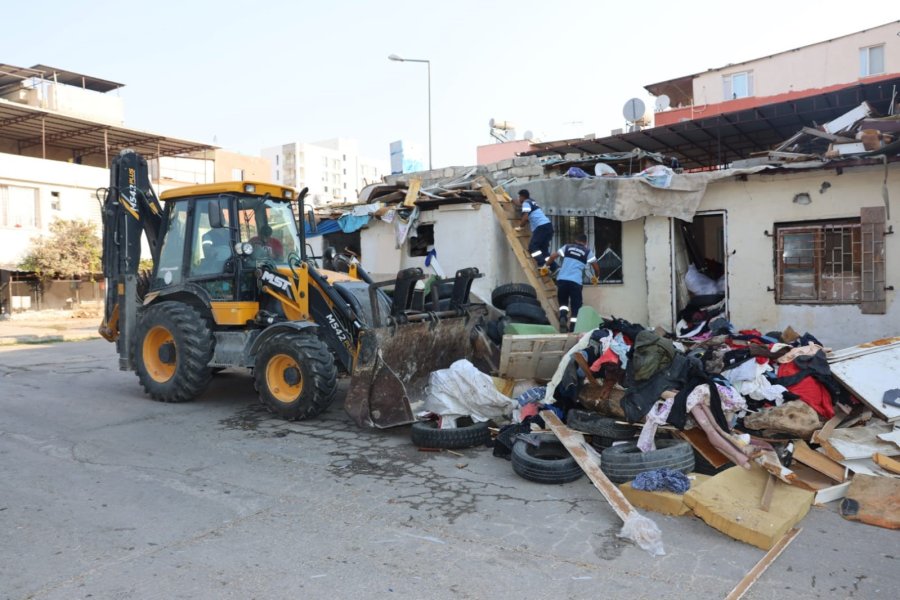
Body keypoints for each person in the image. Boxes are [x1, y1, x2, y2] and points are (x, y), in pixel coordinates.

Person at [544, 233, 599, 332]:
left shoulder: (567, 247)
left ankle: (563, 317)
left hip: (562, 280)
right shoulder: (587, 252)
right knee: (576, 306)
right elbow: (596, 268)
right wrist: (596, 277)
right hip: (575, 282)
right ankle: (573, 327)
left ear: (576, 240)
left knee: (563, 303)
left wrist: (545, 266)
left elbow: (552, 257)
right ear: (585, 242)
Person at [512, 189, 553, 268]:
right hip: (548, 226)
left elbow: (525, 217)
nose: (518, 199)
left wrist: (520, 227)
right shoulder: (531, 201)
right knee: (543, 250)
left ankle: (542, 265)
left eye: (519, 197)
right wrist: (511, 200)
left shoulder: (526, 203)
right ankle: (554, 267)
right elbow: (519, 204)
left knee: (532, 247)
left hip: (541, 227)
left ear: (522, 196)